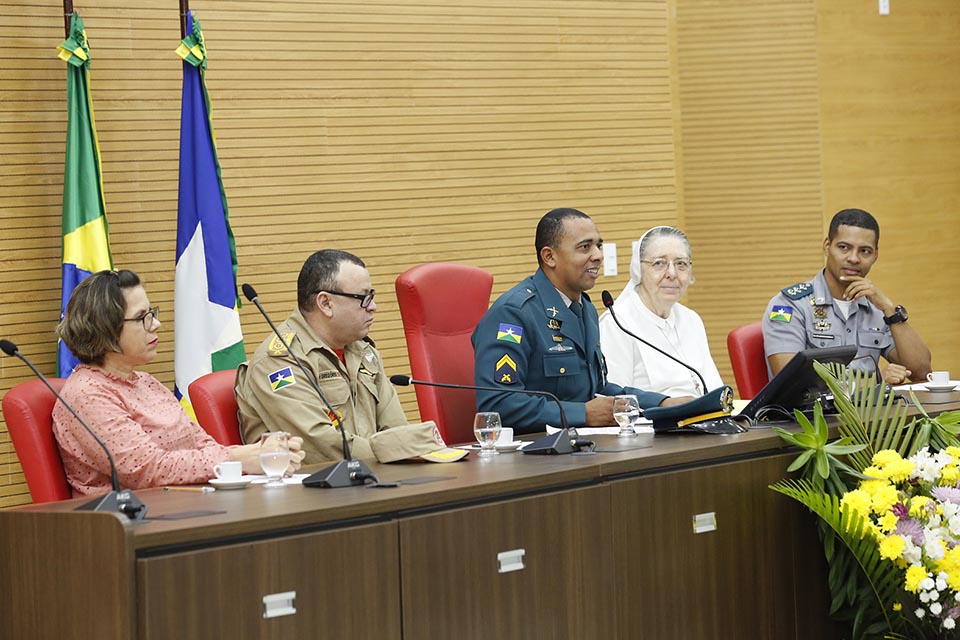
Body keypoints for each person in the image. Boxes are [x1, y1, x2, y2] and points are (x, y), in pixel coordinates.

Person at [52, 269, 304, 497]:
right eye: (142, 317)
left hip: (185, 505)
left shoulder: (144, 382)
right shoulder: (87, 395)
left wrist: (260, 455)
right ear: (104, 327)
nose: (156, 324)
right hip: (128, 525)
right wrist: (239, 458)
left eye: (152, 313)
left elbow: (202, 444)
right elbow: (147, 470)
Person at [472, 208, 694, 434]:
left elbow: (597, 388)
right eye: (585, 247)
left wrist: (661, 403)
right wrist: (583, 414)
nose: (598, 255)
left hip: (581, 445)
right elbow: (498, 405)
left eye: (599, 245)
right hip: (532, 454)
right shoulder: (514, 314)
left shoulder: (584, 308)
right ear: (549, 257)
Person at [236, 250, 456, 464]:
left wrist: (410, 450)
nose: (373, 307)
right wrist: (401, 450)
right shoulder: (279, 361)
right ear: (325, 303)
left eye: (372, 296)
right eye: (363, 298)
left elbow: (396, 428)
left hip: (374, 481)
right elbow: (323, 447)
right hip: (312, 493)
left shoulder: (363, 352)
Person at [763, 208, 932, 385]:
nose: (854, 258)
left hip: (870, 412)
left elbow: (921, 372)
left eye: (865, 251)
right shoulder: (789, 305)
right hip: (813, 413)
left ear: (875, 255)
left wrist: (890, 310)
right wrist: (873, 383)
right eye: (844, 247)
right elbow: (791, 382)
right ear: (827, 246)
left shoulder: (876, 309)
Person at [599, 226, 723, 397]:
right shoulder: (618, 324)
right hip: (652, 422)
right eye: (659, 263)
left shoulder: (691, 319)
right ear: (638, 269)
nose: (672, 273)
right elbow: (617, 403)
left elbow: (714, 388)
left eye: (681, 264)